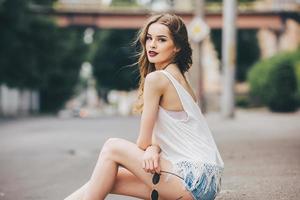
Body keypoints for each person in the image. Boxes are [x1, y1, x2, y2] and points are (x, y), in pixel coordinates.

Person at [64, 13, 224, 200]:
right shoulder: (181, 77)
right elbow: (167, 135)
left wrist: (149, 148)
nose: (152, 45)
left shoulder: (157, 79)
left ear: (177, 47)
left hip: (192, 181)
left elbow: (143, 141)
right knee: (104, 178)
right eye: (149, 38)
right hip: (205, 184)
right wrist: (154, 148)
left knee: (112, 147)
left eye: (161, 40)